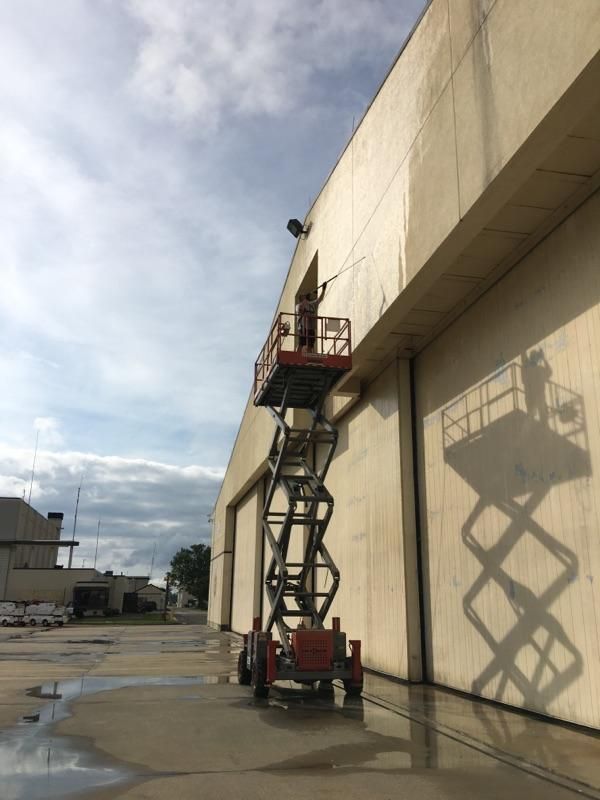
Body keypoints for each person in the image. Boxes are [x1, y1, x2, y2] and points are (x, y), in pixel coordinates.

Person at [296, 282, 327, 352]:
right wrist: (305, 299)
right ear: (301, 299)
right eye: (303, 296)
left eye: (305, 296)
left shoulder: (312, 304)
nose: (306, 296)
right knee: (301, 342)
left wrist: (323, 290)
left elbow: (320, 299)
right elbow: (300, 310)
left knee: (310, 344)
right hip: (303, 327)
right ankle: (297, 355)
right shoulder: (298, 305)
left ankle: (309, 356)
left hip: (311, 327)